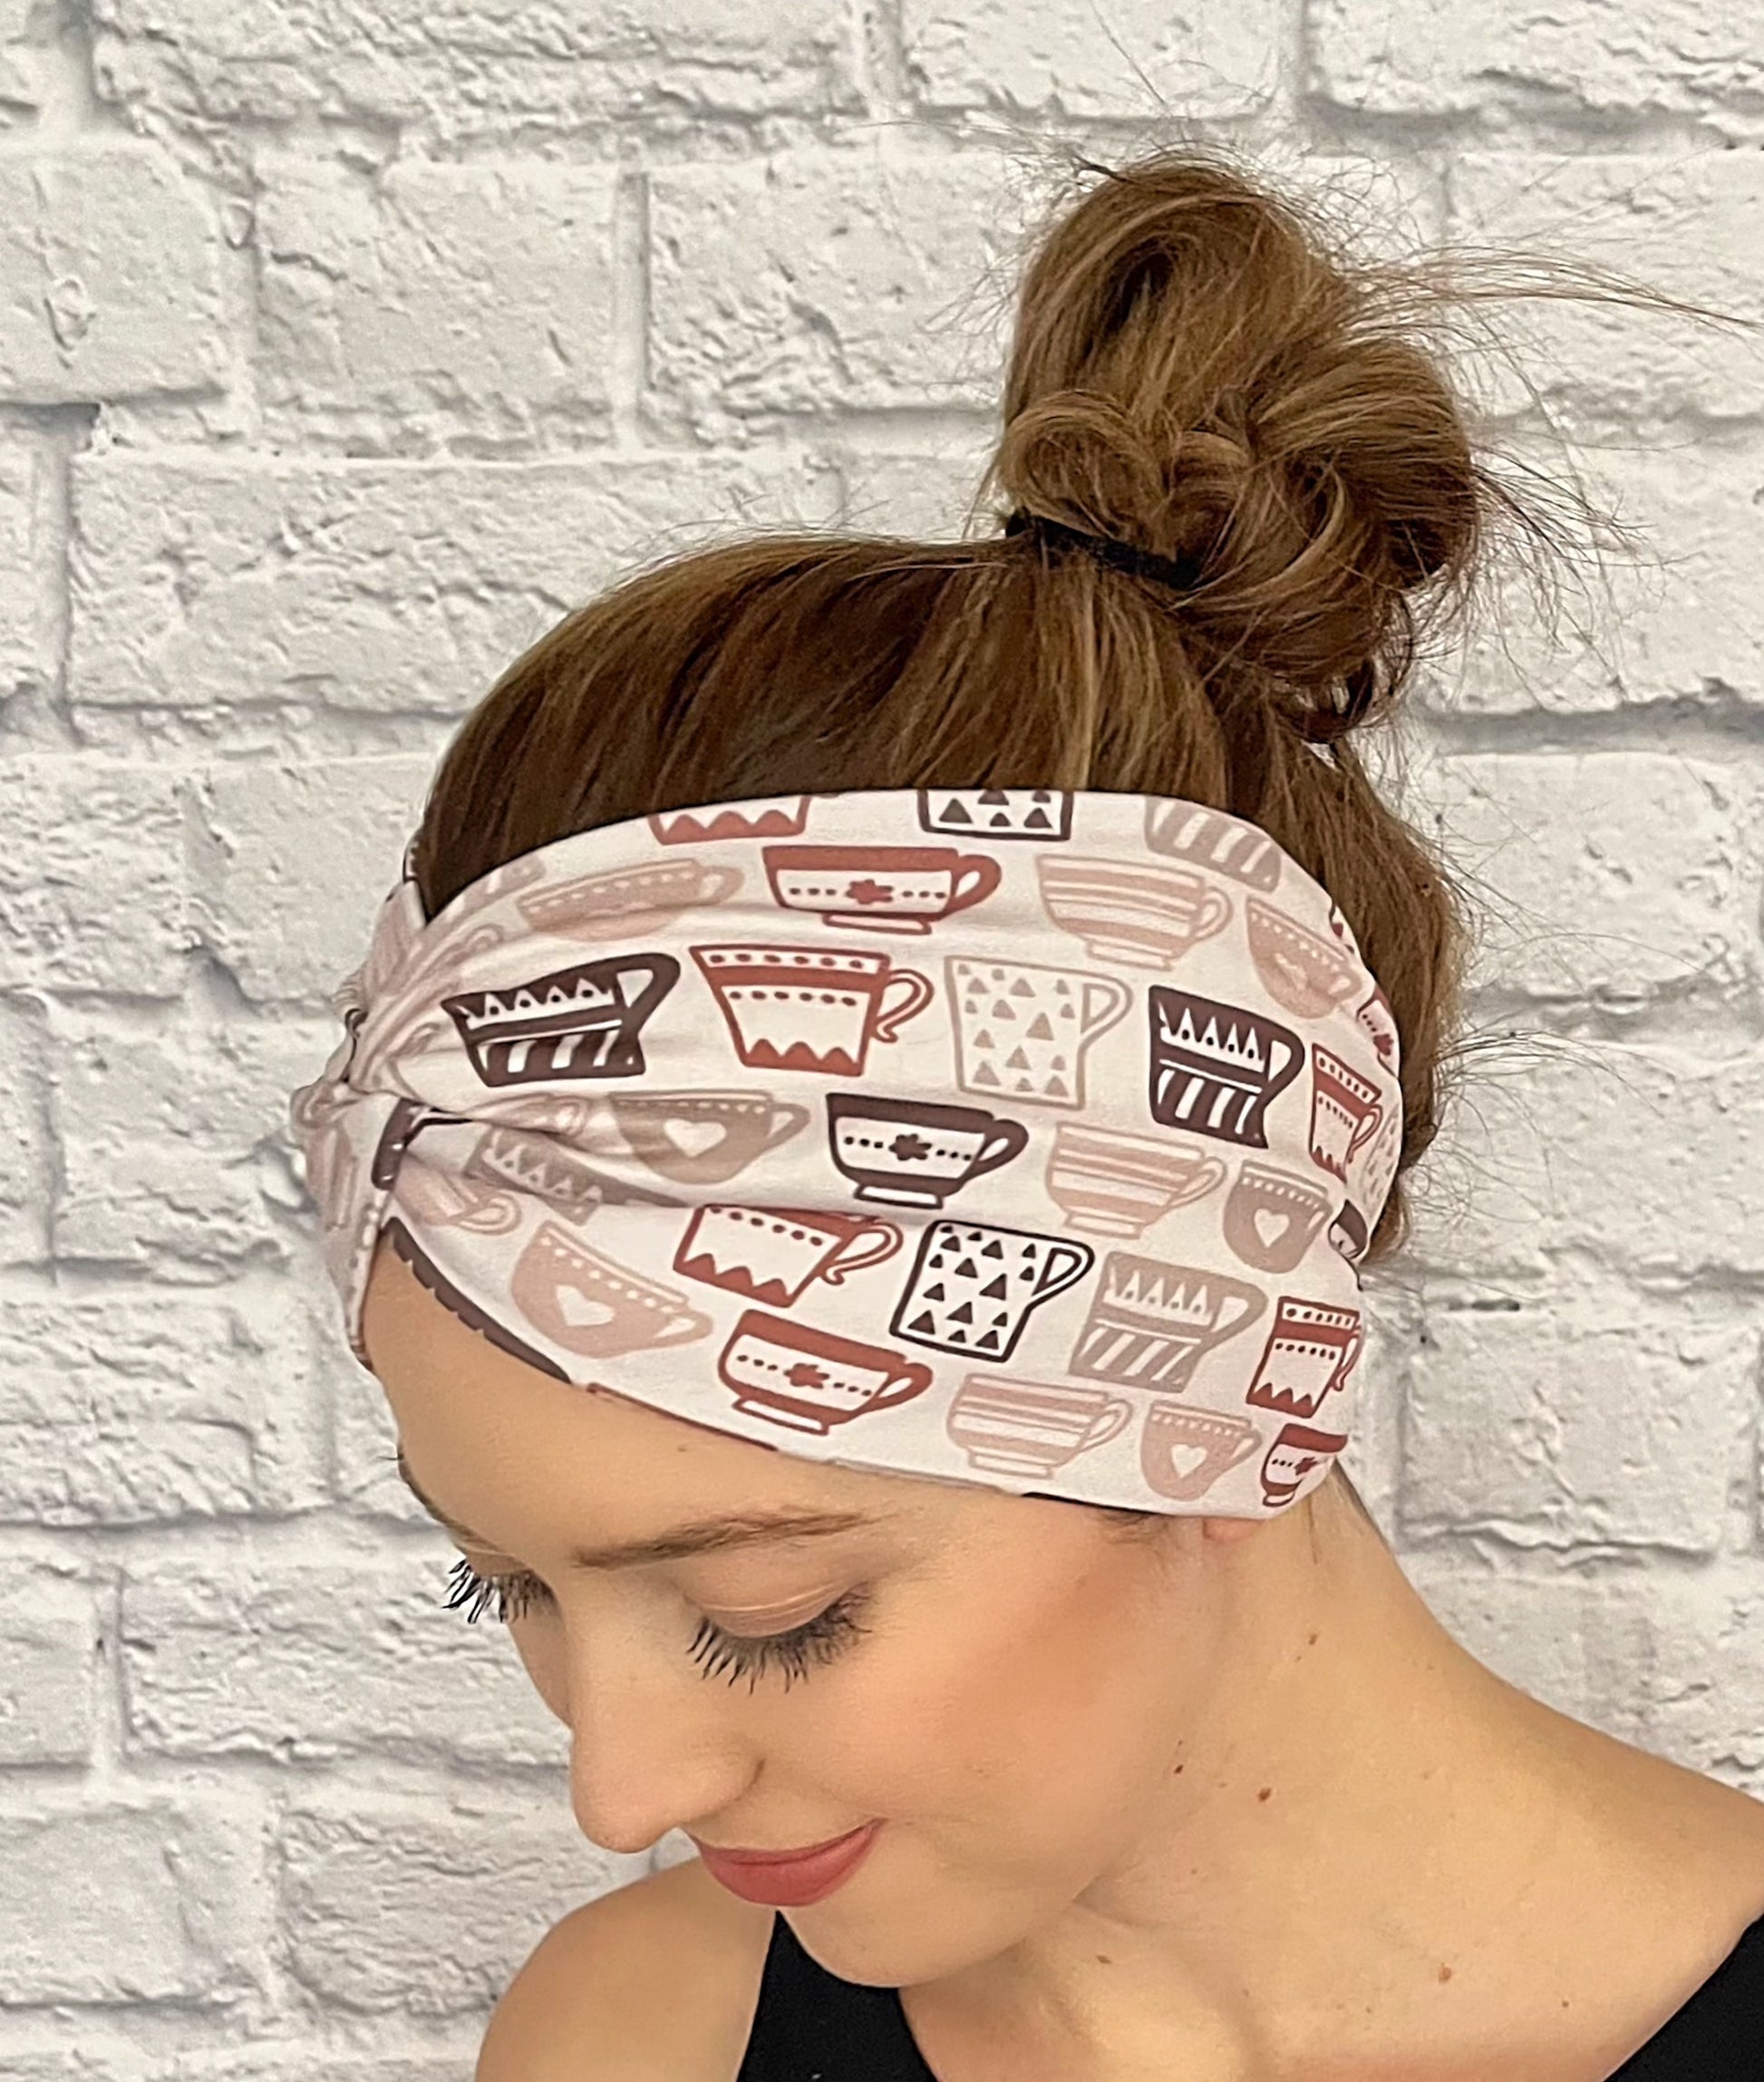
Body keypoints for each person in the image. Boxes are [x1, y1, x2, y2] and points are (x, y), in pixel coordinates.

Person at [293, 141, 1764, 2079]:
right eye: (507, 1581)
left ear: (1231, 1384)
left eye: (768, 1611)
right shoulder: (629, 2039)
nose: (619, 1783)